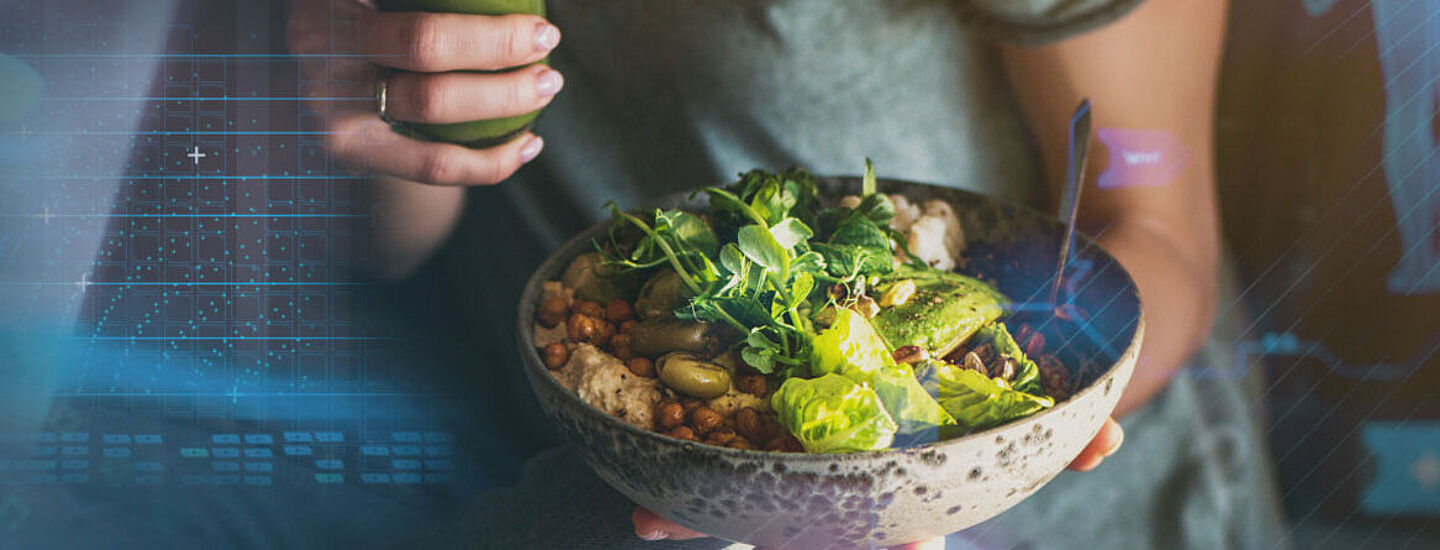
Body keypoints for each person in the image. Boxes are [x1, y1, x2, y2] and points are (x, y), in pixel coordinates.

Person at [288, 0, 1289, 547]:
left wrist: (957, 451)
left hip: (1039, 513)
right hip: (605, 484)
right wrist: (370, 110)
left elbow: (1165, 231)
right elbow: (386, 251)